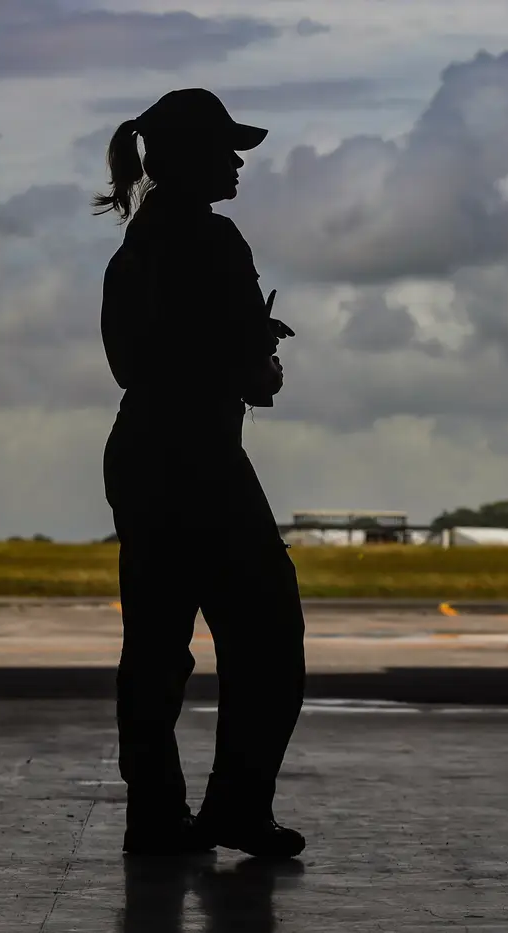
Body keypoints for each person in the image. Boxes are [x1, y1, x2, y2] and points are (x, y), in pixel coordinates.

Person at [94, 88, 306, 858]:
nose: (239, 161)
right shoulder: (215, 242)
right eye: (226, 149)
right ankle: (237, 809)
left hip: (143, 452)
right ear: (191, 160)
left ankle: (155, 816)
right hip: (202, 458)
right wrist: (260, 365)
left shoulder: (136, 249)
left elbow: (130, 363)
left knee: (155, 646)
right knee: (270, 636)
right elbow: (250, 370)